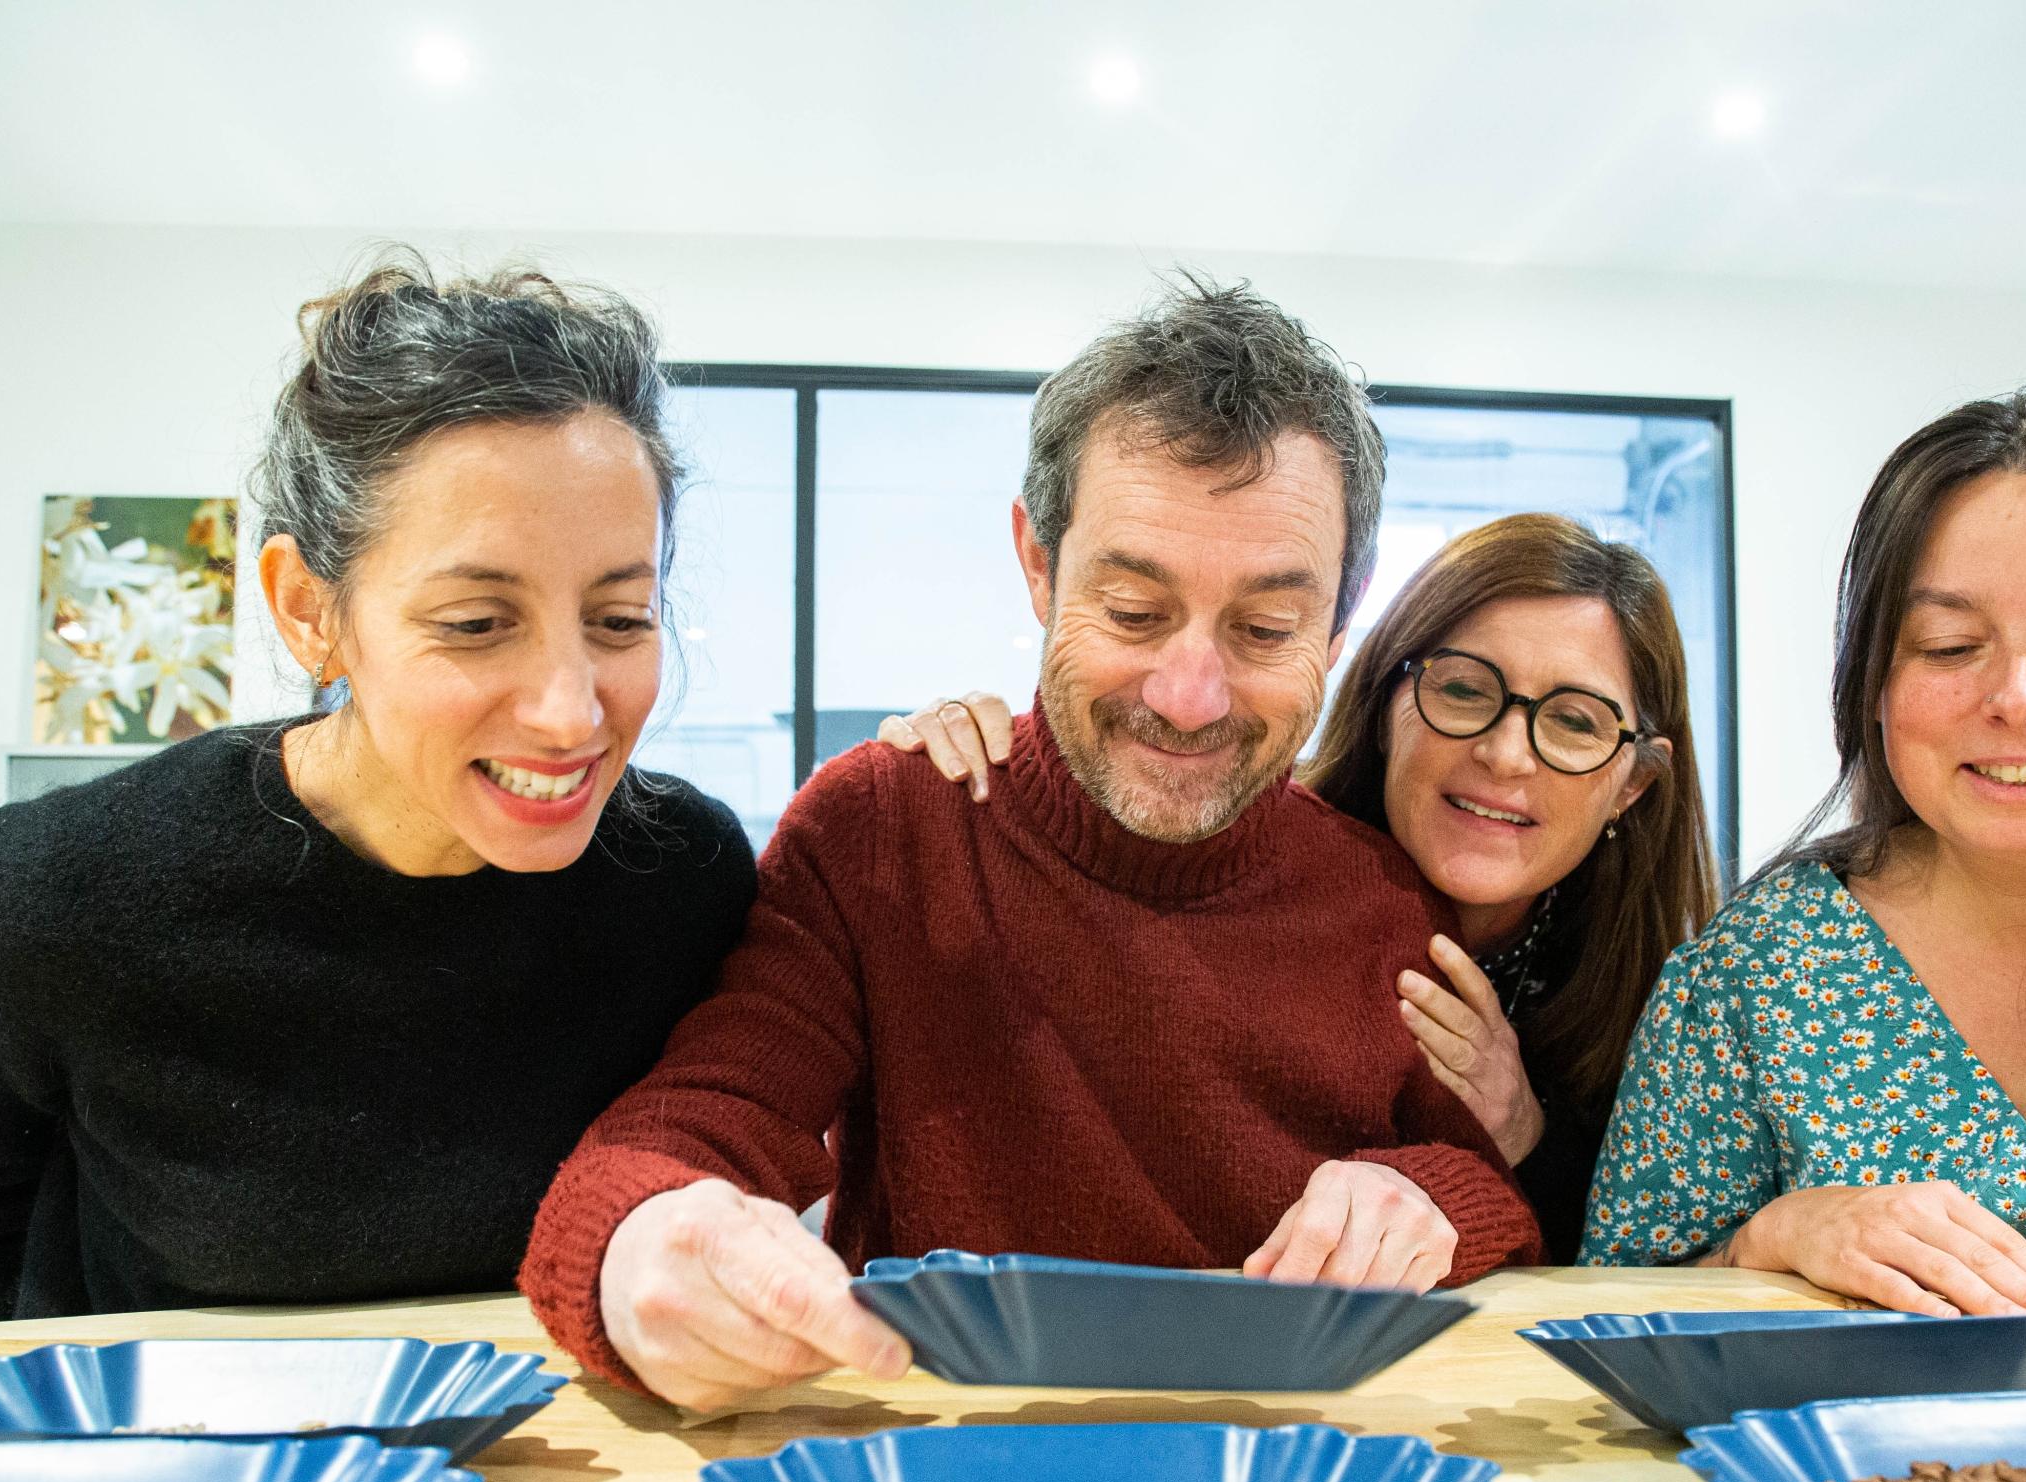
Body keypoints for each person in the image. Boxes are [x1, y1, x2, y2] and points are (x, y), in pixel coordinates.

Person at [519, 278, 1544, 1409]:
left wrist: (1429, 1198)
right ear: (1040, 566)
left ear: (1340, 625)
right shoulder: (887, 831)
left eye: (1264, 629)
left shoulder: (1375, 898)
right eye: (1134, 610)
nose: (1190, 695)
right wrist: (638, 1236)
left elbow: (1488, 1187)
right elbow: (702, 1117)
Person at [0, 257, 756, 1321]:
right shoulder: (46, 901)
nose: (572, 713)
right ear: (308, 610)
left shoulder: (686, 879)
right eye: (477, 625)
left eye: (620, 620)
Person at [1583, 386, 2026, 1403]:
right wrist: (1771, 1236)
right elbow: (1611, 1328)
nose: (2015, 698)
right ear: (1871, 679)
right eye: (1948, 647)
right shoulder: (1757, 970)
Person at [888, 512, 1716, 1256]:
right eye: (1464, 688)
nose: (1506, 753)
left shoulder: (1669, 999)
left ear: (1634, 782)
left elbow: (1646, 1273)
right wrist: (984, 759)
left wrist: (1524, 1135)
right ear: (1390, 694)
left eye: (1575, 721)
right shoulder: (1244, 867)